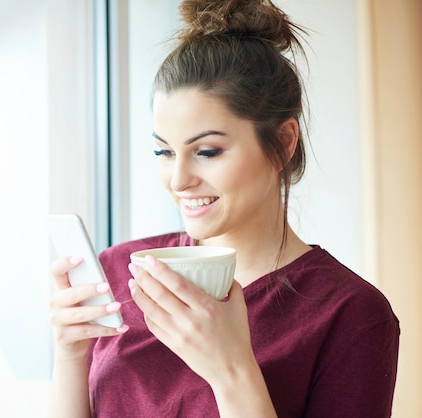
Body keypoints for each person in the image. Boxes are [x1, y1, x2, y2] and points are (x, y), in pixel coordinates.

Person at [47, 0, 399, 416]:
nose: (178, 180)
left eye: (208, 151)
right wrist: (70, 357)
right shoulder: (118, 273)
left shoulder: (350, 314)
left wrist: (231, 370)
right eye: (163, 151)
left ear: (284, 142)